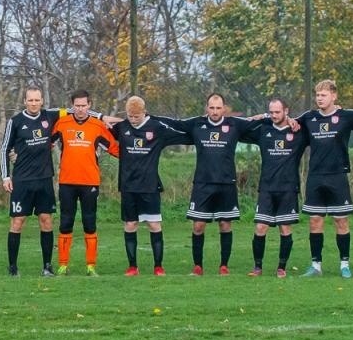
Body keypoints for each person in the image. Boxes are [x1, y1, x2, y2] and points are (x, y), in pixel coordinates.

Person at [170, 93, 254, 276]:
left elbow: (257, 122)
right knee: (198, 226)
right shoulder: (196, 123)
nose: (215, 111)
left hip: (226, 183)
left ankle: (224, 266)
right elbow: (175, 123)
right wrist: (147, 117)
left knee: (225, 224)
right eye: (212, 108)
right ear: (206, 108)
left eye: (218, 108)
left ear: (224, 108)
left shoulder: (234, 124)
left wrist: (278, 118)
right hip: (203, 184)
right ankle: (198, 266)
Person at [103, 96, 189, 276]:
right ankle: (132, 267)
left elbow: (183, 135)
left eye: (136, 116)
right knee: (130, 224)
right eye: (130, 116)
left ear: (144, 112)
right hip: (128, 186)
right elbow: (101, 130)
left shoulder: (157, 128)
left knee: (154, 224)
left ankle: (158, 266)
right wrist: (104, 118)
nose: (133, 120)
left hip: (149, 186)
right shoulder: (122, 127)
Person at [295, 80, 353, 278]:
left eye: (324, 95)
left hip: (337, 176)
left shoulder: (345, 116)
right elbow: (289, 122)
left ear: (334, 96)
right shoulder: (309, 117)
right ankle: (316, 265)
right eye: (317, 95)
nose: (319, 98)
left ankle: (344, 264)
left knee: (341, 221)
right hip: (315, 176)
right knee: (315, 221)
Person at [49, 91, 118, 275]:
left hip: (90, 182)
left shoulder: (97, 125)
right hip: (67, 181)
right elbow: (46, 144)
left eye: (83, 105)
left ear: (89, 105)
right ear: (72, 105)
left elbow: (114, 148)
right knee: (66, 223)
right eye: (77, 105)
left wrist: (138, 156)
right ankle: (63, 265)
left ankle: (91, 266)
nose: (80, 109)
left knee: (89, 223)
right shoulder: (62, 123)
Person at [244, 98, 307, 277]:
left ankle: (281, 268)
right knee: (260, 227)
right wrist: (262, 116)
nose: (274, 115)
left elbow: (314, 122)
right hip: (266, 187)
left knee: (285, 228)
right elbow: (243, 126)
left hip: (288, 188)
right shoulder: (264, 129)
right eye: (271, 112)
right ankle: (257, 267)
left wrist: (295, 121)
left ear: (286, 111)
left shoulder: (299, 131)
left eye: (277, 112)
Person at [0, 87, 58, 277]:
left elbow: (76, 111)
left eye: (37, 100)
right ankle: (13, 267)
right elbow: (4, 149)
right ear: (25, 101)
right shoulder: (15, 121)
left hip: (44, 180)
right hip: (22, 180)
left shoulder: (50, 116)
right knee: (18, 222)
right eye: (30, 100)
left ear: (42, 101)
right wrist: (6, 177)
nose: (34, 103)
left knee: (46, 221)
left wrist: (101, 117)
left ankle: (47, 267)